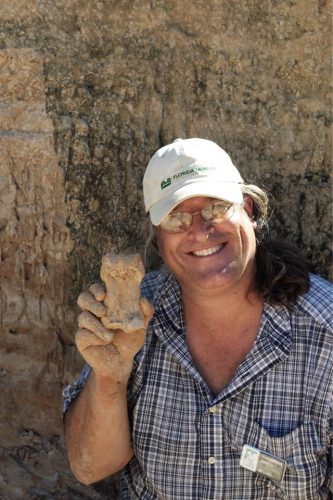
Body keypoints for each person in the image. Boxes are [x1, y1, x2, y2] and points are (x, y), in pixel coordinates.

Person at [63, 138, 333, 499]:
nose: (199, 230)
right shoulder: (132, 317)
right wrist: (111, 375)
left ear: (248, 210)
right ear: (157, 240)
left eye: (216, 207)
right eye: (175, 218)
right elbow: (90, 466)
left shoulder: (324, 331)